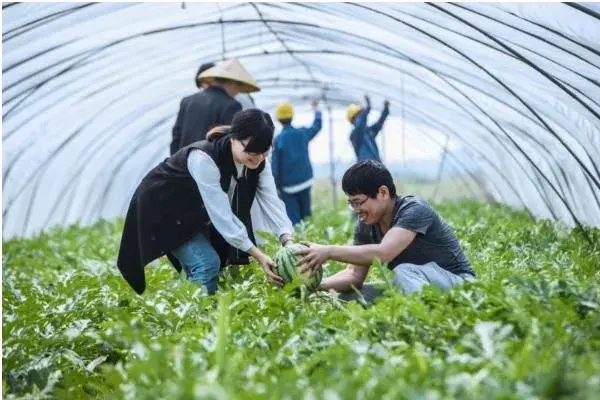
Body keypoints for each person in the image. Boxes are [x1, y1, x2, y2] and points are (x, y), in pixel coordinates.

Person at [118, 109, 294, 295]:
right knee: (206, 264)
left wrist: (287, 241)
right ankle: (195, 319)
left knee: (212, 264)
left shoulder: (259, 162)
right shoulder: (204, 159)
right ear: (234, 138)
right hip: (164, 208)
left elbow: (272, 201)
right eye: (250, 151)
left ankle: (198, 307)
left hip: (194, 211)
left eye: (263, 152)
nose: (257, 158)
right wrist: (259, 256)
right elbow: (222, 216)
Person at [294, 160, 475, 302]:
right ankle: (413, 308)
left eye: (359, 202)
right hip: (414, 285)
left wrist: (329, 251)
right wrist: (312, 285)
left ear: (382, 193)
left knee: (403, 272)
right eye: (352, 204)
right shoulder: (366, 224)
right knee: (347, 297)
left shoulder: (415, 209)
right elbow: (354, 275)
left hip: (460, 285)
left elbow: (385, 252)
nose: (357, 210)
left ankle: (423, 321)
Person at [170, 58, 260, 155]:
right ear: (231, 82)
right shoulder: (231, 105)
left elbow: (176, 138)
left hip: (183, 164)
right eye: (238, 87)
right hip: (209, 165)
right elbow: (229, 144)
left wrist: (176, 165)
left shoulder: (187, 101)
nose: (237, 92)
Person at [271, 99, 322, 225]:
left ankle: (298, 242)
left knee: (294, 219)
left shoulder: (278, 140)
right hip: (305, 181)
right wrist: (317, 111)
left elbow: (275, 167)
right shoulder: (301, 133)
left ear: (278, 119)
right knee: (307, 216)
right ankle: (312, 241)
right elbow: (317, 126)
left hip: (288, 187)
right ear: (292, 116)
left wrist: (276, 187)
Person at [347, 95, 390, 162]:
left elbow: (379, 123)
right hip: (365, 168)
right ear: (353, 120)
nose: (362, 116)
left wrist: (386, 109)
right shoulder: (354, 135)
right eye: (359, 114)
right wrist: (368, 107)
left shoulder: (368, 132)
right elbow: (360, 125)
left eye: (361, 114)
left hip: (377, 166)